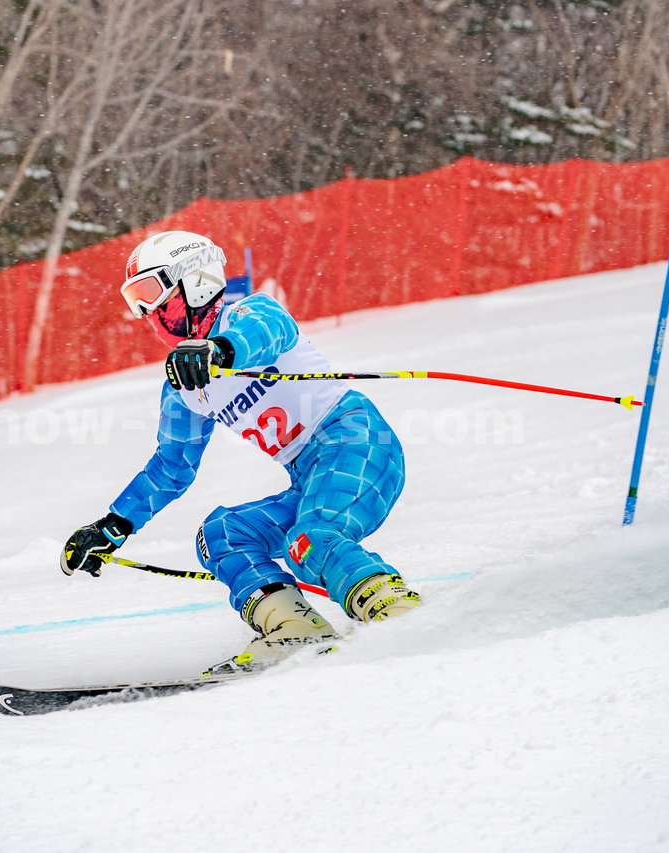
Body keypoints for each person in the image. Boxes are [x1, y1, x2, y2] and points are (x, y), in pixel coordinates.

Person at [60, 230, 420, 672]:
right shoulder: (184, 388)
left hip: (356, 442)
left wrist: (219, 350)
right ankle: (295, 628)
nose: (146, 312)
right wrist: (112, 526)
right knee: (223, 534)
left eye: (151, 292)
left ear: (194, 281)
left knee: (311, 540)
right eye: (136, 299)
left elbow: (270, 329)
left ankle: (402, 620)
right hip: (308, 474)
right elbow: (171, 469)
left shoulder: (248, 313)